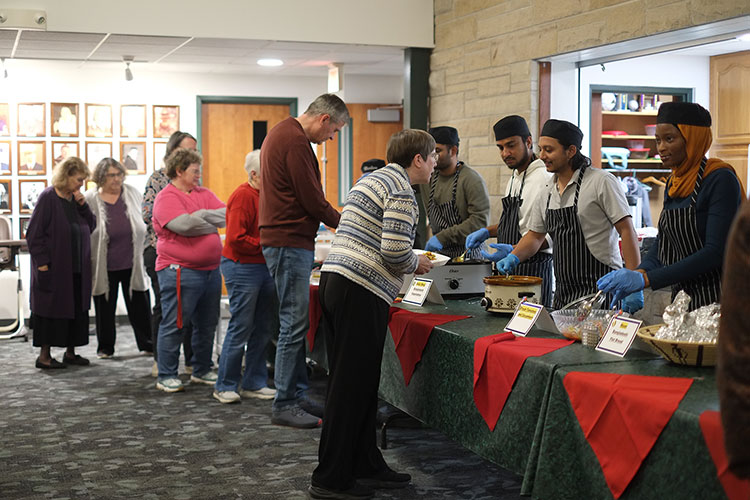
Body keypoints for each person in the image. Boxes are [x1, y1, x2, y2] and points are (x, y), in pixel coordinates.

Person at [310, 129, 435, 500]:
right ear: (417, 159)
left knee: (357, 383)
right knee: (351, 386)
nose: (433, 165)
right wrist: (419, 262)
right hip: (360, 289)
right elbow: (395, 251)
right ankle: (331, 477)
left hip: (337, 281)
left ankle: (365, 462)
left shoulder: (373, 178)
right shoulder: (401, 189)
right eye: (431, 158)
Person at [597, 102, 742, 311]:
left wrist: (647, 280)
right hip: (684, 301)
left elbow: (715, 252)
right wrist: (639, 273)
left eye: (669, 139)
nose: (661, 147)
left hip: (720, 301)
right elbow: (663, 244)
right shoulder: (675, 182)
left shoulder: (720, 179)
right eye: (658, 140)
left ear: (693, 138)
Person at [259, 93, 348, 428]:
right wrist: (346, 221)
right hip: (288, 241)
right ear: (324, 119)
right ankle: (285, 402)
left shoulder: (283, 133)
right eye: (334, 130)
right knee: (293, 324)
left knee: (292, 322)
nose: (332, 138)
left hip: (285, 240)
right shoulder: (295, 140)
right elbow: (312, 199)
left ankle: (295, 394)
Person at [494, 119, 641, 310]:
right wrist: (514, 257)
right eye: (541, 149)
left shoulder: (601, 182)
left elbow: (627, 230)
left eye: (549, 150)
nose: (542, 156)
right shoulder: (547, 190)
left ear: (571, 151)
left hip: (603, 290)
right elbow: (535, 236)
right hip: (564, 294)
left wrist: (634, 282)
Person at [152, 148, 226, 393]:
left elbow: (227, 216)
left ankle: (202, 369)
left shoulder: (204, 194)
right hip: (179, 271)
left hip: (210, 270)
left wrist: (200, 216)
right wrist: (207, 220)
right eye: (195, 171)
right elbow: (183, 225)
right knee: (175, 323)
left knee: (207, 323)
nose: (199, 175)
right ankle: (166, 375)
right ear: (179, 170)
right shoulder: (166, 198)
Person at [465, 115, 554, 306]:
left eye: (511, 145)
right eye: (501, 147)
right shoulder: (514, 177)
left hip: (534, 270)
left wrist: (515, 252)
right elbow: (519, 221)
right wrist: (487, 232)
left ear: (528, 142)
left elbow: (547, 234)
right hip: (510, 269)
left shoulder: (544, 178)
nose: (505, 153)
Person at [213, 150, 277, 404]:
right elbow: (236, 239)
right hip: (242, 267)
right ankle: (225, 385)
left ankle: (254, 382)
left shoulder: (267, 195)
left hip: (263, 267)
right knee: (241, 327)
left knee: (262, 328)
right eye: (269, 174)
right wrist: (270, 244)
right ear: (254, 175)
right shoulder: (242, 196)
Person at [26, 157, 96, 369]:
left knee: (75, 309)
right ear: (66, 177)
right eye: (78, 180)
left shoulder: (75, 199)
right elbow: (34, 234)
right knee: (50, 310)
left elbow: (91, 225)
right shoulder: (49, 197)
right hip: (54, 268)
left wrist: (83, 206)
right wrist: (43, 264)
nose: (81, 184)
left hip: (77, 268)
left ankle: (71, 353)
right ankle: (44, 356)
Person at [85, 158, 153, 358]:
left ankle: (148, 343)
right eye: (111, 175)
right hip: (104, 264)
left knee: (140, 305)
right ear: (101, 178)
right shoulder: (91, 198)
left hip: (132, 262)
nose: (116, 179)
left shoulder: (132, 193)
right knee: (105, 307)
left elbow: (144, 221)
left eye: (119, 174)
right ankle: (105, 347)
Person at [143, 131, 197, 376]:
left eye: (194, 150)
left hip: (189, 252)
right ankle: (161, 361)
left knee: (192, 309)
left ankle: (193, 362)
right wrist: (179, 217)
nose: (190, 155)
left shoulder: (194, 181)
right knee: (165, 308)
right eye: (185, 150)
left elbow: (203, 213)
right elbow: (148, 214)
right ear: (172, 151)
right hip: (159, 252)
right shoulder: (158, 178)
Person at [717, 199, 750, 479]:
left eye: (548, 149)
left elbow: (739, 344)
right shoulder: (673, 186)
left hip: (711, 295)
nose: (660, 150)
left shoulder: (720, 180)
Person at [421, 126, 489, 259]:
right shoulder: (428, 177)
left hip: (469, 255)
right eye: (430, 152)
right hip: (440, 255)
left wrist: (442, 238)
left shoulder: (471, 180)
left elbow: (479, 222)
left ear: (453, 150)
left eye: (438, 151)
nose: (433, 156)